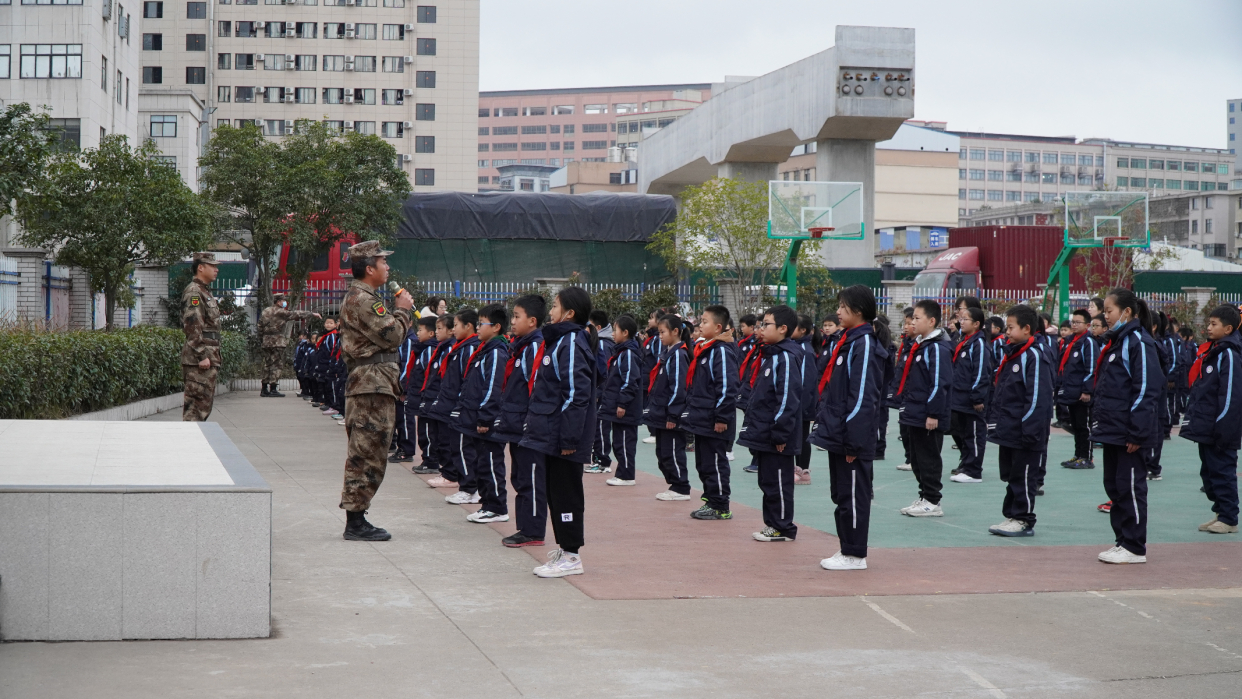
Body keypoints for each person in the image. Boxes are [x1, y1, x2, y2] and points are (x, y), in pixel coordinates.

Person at [337, 240, 414, 541]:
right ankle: (355, 522)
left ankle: (357, 517)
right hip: (371, 383)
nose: (388, 267)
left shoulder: (364, 297)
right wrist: (404, 311)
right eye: (383, 262)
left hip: (374, 382)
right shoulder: (364, 299)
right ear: (369, 268)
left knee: (370, 451)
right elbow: (393, 335)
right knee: (366, 453)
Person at [521, 287, 599, 578]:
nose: (550, 311)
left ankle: (571, 555)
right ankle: (566, 549)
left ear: (569, 313)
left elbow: (575, 394)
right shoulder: (561, 341)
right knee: (556, 492)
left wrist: (568, 438)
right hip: (554, 433)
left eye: (555, 306)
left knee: (566, 494)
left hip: (565, 437)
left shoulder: (570, 342)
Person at [812, 286, 889, 570]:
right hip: (839, 433)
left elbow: (864, 397)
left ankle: (855, 554)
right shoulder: (848, 340)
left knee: (854, 494)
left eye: (843, 307)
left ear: (858, 311)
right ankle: (847, 547)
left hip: (852, 438)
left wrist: (853, 441)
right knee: (842, 493)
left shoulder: (864, 343)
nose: (839, 312)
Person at [1091, 288, 1161, 564]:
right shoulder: (1117, 342)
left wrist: (1137, 432)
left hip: (1129, 432)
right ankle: (1122, 541)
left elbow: (1146, 390)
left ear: (1127, 312)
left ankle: (1134, 546)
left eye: (1109, 311)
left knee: (1130, 486)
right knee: (1115, 486)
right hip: (1112, 429)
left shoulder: (1139, 343)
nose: (1104, 316)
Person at [985, 305, 1053, 537]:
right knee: (1011, 474)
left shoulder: (1034, 355)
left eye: (1011, 328)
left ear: (1027, 329)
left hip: (1026, 432)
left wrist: (1029, 431)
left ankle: (1023, 519)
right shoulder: (1014, 353)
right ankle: (1012, 515)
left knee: (1024, 475)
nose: (1006, 332)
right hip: (1010, 429)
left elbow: (1036, 398)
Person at [739, 304, 803, 542]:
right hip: (765, 431)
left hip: (778, 435)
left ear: (783, 329)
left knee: (778, 481)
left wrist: (779, 434)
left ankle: (783, 527)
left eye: (766, 324)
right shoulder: (770, 354)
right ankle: (773, 524)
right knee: (767, 480)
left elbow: (787, 398)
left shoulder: (785, 357)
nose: (761, 329)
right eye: (761, 324)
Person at [1181, 304, 1242, 535]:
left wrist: (1223, 426)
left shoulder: (1228, 353)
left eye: (1213, 324)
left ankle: (1229, 518)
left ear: (1228, 328)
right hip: (1208, 425)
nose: (1208, 327)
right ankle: (1219, 512)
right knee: (1209, 471)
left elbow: (1230, 394)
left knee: (1222, 470)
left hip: (1221, 428)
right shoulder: (1214, 350)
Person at [494, 295, 549, 547]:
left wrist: (530, 421)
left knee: (532, 478)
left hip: (529, 427)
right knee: (520, 477)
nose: (512, 321)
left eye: (517, 316)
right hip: (515, 425)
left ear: (533, 321)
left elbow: (536, 387)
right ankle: (525, 527)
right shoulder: (521, 346)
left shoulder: (536, 347)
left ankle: (534, 531)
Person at [682, 305, 740, 520]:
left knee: (715, 462)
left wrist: (722, 417)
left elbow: (727, 387)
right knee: (704, 463)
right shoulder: (705, 349)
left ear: (718, 327)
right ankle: (711, 501)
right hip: (701, 417)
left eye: (704, 321)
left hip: (714, 420)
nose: (700, 324)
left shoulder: (722, 351)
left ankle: (721, 505)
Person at [896, 299, 953, 517]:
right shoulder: (920, 345)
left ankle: (932, 500)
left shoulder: (937, 348)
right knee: (917, 459)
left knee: (929, 457)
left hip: (928, 414)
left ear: (931, 321)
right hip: (915, 411)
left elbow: (939, 383)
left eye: (917, 318)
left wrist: (933, 413)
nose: (913, 322)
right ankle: (924, 496)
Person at [457, 303, 511, 523]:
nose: (478, 328)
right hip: (477, 418)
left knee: (491, 462)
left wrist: (486, 417)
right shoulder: (485, 351)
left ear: (496, 327)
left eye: (482, 323)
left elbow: (493, 387)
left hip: (489, 421)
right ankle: (487, 504)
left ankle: (498, 507)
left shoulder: (497, 352)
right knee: (481, 463)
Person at [428, 309, 482, 504]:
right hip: (451, 404)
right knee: (455, 446)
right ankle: (467, 486)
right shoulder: (461, 347)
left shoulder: (469, 349)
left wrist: (459, 403)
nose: (454, 329)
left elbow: (466, 381)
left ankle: (470, 488)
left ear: (468, 326)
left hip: (461, 407)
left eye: (456, 325)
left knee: (463, 448)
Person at [644, 314, 692, 502]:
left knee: (672, 450)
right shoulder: (669, 353)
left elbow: (678, 388)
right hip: (661, 413)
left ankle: (681, 486)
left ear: (675, 331)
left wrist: (673, 415)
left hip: (671, 415)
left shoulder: (679, 355)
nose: (660, 336)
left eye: (663, 332)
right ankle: (674, 485)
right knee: (663, 452)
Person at [948, 306, 991, 483]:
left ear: (976, 324)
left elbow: (981, 372)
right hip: (959, 398)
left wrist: (977, 397)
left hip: (972, 399)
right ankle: (966, 465)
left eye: (965, 319)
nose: (961, 321)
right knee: (964, 433)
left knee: (974, 433)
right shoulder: (965, 341)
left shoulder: (979, 344)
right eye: (961, 318)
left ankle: (974, 471)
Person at [600, 315, 643, 487]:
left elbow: (630, 380)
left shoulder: (629, 354)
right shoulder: (620, 352)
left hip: (626, 408)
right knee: (618, 441)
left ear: (625, 333)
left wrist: (622, 403)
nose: (612, 334)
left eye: (615, 330)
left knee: (625, 441)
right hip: (618, 406)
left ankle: (626, 475)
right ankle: (622, 472)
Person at [180, 252, 222, 422]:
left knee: (203, 408)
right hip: (199, 361)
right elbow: (192, 325)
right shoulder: (194, 292)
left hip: (208, 356)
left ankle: (194, 443)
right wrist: (202, 355)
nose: (216, 269)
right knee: (195, 411)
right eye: (212, 266)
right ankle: (189, 445)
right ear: (200, 267)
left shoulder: (204, 291)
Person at [392, 316, 437, 465]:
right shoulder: (403, 339)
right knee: (401, 418)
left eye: (420, 330)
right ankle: (402, 447)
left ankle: (407, 449)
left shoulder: (413, 342)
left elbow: (408, 367)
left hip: (415, 392)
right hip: (411, 389)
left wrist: (402, 387)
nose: (418, 333)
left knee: (408, 420)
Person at [258, 293, 321, 397]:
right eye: (283, 301)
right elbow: (295, 314)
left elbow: (260, 326)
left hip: (266, 341)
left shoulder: (266, 311)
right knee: (277, 364)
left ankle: (264, 388)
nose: (284, 303)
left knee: (267, 364)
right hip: (277, 341)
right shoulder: (280, 312)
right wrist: (311, 314)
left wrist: (262, 339)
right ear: (278, 302)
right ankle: (273, 388)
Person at [1058, 309, 1098, 469]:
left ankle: (1087, 457)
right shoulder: (1070, 341)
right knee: (1075, 424)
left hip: (1082, 392)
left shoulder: (1088, 342)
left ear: (1087, 325)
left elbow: (1091, 368)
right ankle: (1078, 455)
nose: (1073, 325)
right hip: (1071, 391)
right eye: (1072, 322)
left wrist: (1087, 390)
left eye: (1077, 322)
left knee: (1083, 425)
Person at [418, 317, 453, 477]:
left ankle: (437, 465)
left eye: (440, 329)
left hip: (439, 400)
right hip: (430, 398)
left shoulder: (447, 350)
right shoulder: (439, 348)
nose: (437, 332)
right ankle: (436, 464)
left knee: (441, 438)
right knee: (432, 434)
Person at [792, 314, 820, 485]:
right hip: (798, 402)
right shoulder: (798, 347)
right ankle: (798, 469)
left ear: (803, 330)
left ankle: (804, 471)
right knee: (798, 436)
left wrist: (800, 405)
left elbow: (806, 382)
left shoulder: (805, 351)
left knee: (802, 437)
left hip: (801, 403)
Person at [587, 309, 615, 474]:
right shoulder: (603, 342)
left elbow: (603, 372)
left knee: (600, 427)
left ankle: (603, 460)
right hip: (601, 393)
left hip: (602, 394)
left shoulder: (602, 344)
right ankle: (598, 458)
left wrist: (598, 393)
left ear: (597, 327)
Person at [889, 307, 916, 471]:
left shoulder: (919, 345)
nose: (905, 326)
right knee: (903, 429)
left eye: (909, 323)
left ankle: (914, 459)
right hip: (903, 394)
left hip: (913, 395)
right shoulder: (906, 344)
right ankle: (909, 458)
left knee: (911, 430)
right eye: (904, 323)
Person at [737, 313, 762, 474]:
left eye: (762, 326)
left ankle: (758, 460)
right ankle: (756, 458)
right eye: (760, 326)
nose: (759, 330)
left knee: (757, 425)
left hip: (756, 393)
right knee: (750, 424)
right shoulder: (757, 346)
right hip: (747, 390)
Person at [293, 331, 313, 398]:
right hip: (299, 363)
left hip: (303, 364)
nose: (301, 337)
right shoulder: (300, 344)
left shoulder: (306, 345)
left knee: (305, 379)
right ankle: (303, 390)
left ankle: (306, 391)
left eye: (303, 336)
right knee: (300, 377)